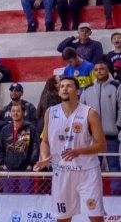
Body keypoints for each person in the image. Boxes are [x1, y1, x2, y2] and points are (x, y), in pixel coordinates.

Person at [33, 75, 107, 221]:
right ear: (59, 92)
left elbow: (102, 145)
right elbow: (45, 141)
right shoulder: (50, 112)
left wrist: (78, 151)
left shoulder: (90, 113)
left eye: (69, 86)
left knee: (96, 217)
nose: (64, 88)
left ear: (77, 91)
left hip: (87, 172)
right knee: (62, 218)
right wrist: (44, 157)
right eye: (62, 86)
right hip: (62, 172)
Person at [79, 61, 120, 178]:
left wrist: (118, 126)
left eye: (102, 69)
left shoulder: (117, 86)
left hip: (112, 134)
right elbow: (81, 109)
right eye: (96, 70)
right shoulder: (88, 88)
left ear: (108, 71)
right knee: (93, 166)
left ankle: (116, 193)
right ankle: (94, 192)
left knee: (114, 165)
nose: (99, 71)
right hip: (93, 136)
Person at [0, 102, 39, 193]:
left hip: (25, 170)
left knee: (26, 197)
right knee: (9, 198)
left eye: (18, 111)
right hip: (8, 169)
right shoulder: (5, 129)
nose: (15, 113)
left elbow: (36, 148)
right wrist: (2, 163)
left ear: (23, 113)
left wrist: (31, 164)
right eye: (13, 111)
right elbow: (0, 147)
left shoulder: (31, 129)